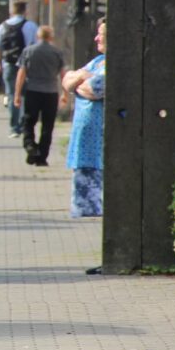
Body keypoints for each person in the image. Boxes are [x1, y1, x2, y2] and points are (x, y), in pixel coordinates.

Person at [63, 19, 106, 217]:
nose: (97, 38)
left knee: (94, 176)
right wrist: (81, 78)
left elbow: (96, 89)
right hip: (85, 138)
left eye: (101, 34)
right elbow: (66, 80)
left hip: (99, 136)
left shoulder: (114, 64)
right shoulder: (98, 62)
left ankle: (90, 212)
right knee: (83, 173)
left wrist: (78, 81)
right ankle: (82, 211)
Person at [14, 25, 66, 166]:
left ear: (38, 36)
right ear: (51, 37)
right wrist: (65, 94)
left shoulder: (29, 51)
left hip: (33, 91)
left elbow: (21, 73)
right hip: (51, 92)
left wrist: (17, 94)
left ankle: (30, 145)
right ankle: (42, 157)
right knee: (48, 126)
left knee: (29, 122)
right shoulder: (57, 52)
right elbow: (63, 75)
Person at [0, 0, 39, 138]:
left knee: (12, 95)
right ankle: (25, 125)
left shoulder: (3, 26)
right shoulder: (31, 26)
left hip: (9, 64)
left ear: (12, 11)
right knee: (26, 95)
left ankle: (14, 128)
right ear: (25, 11)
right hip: (27, 65)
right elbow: (36, 45)